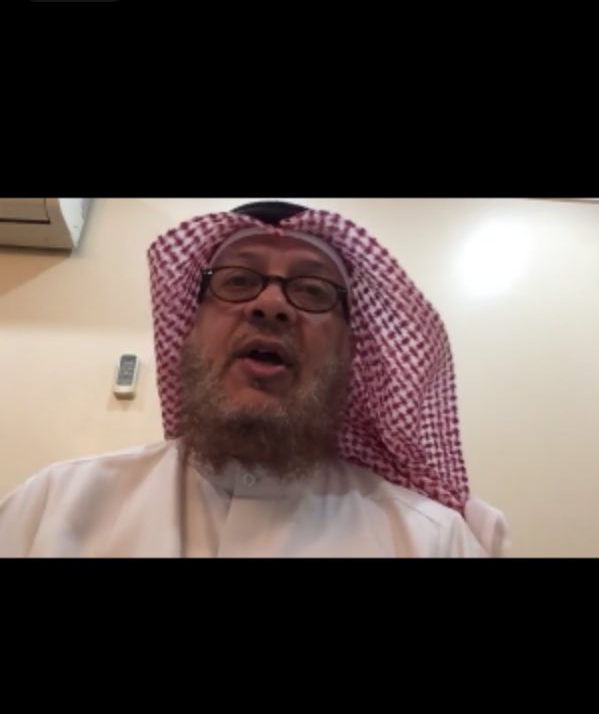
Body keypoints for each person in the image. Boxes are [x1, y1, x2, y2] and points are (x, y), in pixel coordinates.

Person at [0, 201, 509, 558]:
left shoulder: (433, 542)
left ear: (351, 350)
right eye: (239, 281)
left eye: (312, 290)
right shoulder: (51, 507)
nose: (270, 304)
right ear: (190, 328)